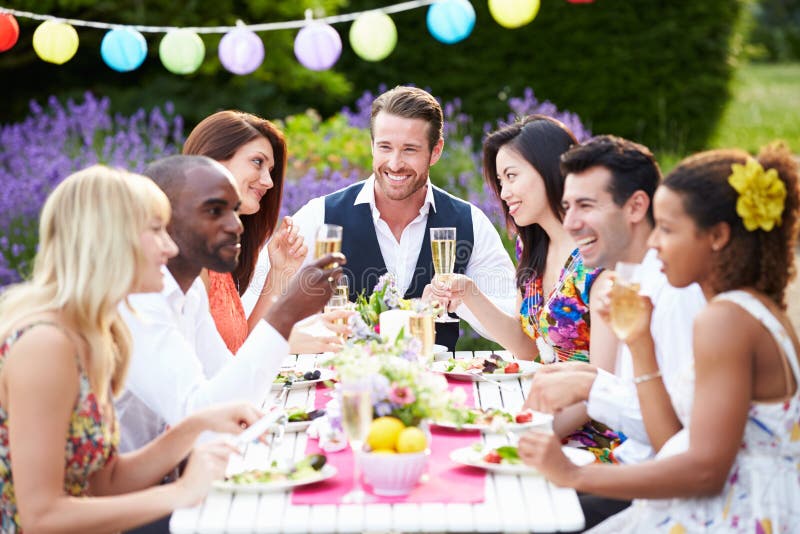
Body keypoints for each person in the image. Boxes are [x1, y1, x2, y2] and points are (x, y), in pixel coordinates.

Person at [519, 143, 800, 533]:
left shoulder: (725, 320)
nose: (652, 242)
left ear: (717, 235)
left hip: (740, 517)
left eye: (667, 229)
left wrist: (572, 474)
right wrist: (639, 343)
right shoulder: (748, 309)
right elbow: (676, 442)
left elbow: (705, 472)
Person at [0, 165, 265, 532]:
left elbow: (104, 482)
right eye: (156, 230)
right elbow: (41, 517)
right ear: (109, 238)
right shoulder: (45, 343)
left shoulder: (95, 334)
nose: (170, 247)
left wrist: (195, 426)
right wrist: (181, 492)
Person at [252, 85, 517, 351]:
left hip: (438, 388)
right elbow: (254, 315)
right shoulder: (320, 216)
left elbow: (515, 333)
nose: (394, 163)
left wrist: (466, 298)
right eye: (385, 147)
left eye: (410, 149)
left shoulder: (469, 222)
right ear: (372, 146)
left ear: (435, 151)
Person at [116, 155, 343, 452]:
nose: (236, 225)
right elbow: (201, 421)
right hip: (132, 490)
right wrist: (284, 314)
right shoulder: (139, 301)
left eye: (234, 211)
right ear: (163, 220)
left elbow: (228, 386)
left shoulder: (191, 290)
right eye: (214, 211)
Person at [427, 117, 621, 462]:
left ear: (552, 169)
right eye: (500, 182)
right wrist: (470, 295)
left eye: (512, 177)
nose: (504, 194)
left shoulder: (597, 261)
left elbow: (604, 388)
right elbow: (526, 347)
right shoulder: (531, 250)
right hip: (543, 417)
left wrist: (526, 433)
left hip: (592, 439)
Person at [182, 110, 311, 352]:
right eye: (257, 162)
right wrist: (285, 342)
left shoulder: (215, 252)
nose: (269, 182)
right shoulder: (185, 251)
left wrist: (280, 272)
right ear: (212, 160)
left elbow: (237, 349)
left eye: (270, 170)